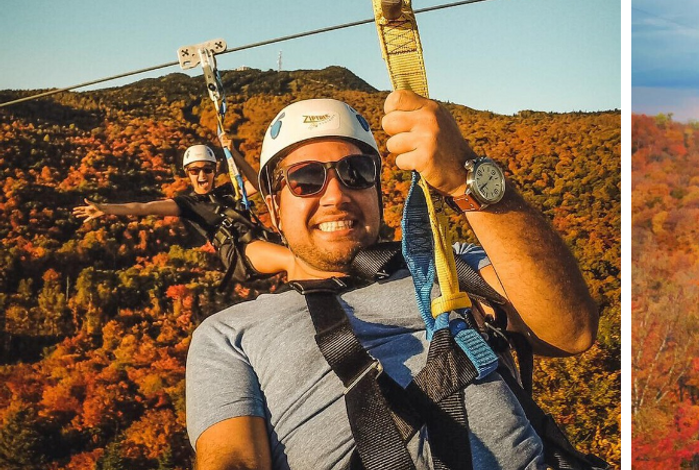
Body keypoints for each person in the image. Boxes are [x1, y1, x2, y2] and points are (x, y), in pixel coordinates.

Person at [186, 92, 600, 470]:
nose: (335, 195)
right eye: (306, 180)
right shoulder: (229, 334)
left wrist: (466, 180)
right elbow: (233, 459)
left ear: (378, 190)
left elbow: (571, 330)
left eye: (356, 172)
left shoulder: (449, 264)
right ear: (275, 209)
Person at [73, 143, 294, 280]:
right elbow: (144, 207)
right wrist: (105, 209)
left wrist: (233, 153)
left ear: (214, 171)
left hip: (262, 240)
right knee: (293, 260)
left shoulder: (229, 191)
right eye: (194, 171)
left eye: (207, 170)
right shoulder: (187, 204)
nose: (201, 176)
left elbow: (260, 184)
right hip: (241, 254)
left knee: (308, 251)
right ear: (187, 174)